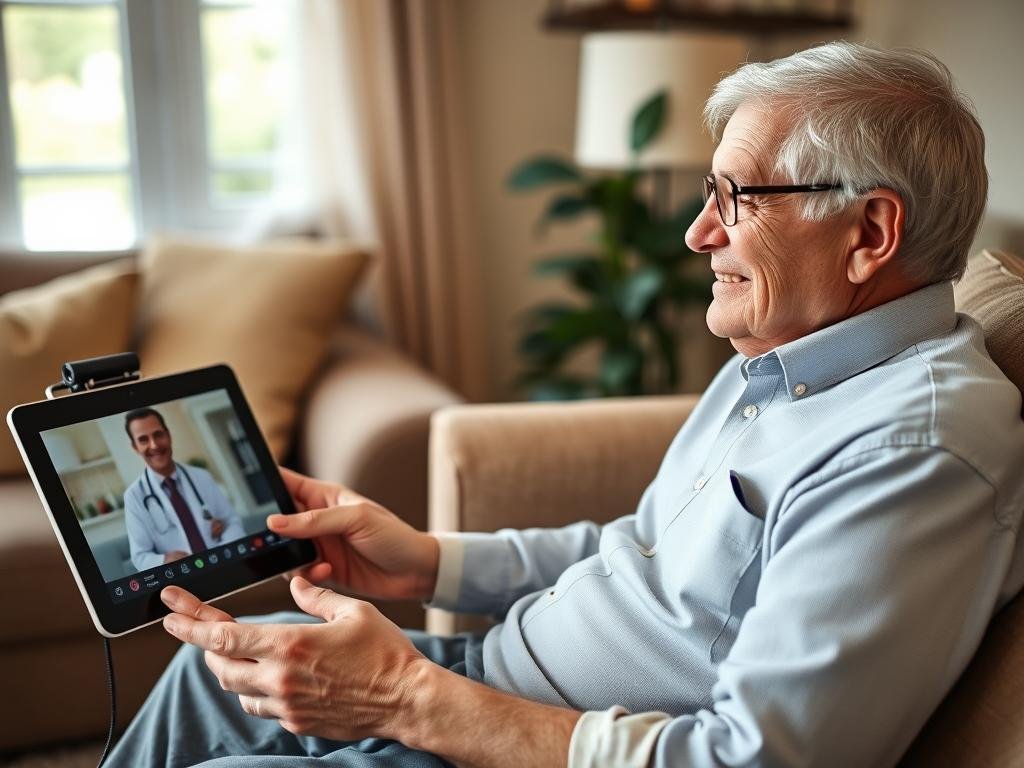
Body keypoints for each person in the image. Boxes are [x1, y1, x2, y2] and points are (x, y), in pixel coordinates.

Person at [108, 42, 1024, 767]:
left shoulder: (915, 448)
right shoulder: (786, 355)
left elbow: (758, 758)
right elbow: (648, 554)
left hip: (524, 742)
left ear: (870, 232)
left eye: (735, 198)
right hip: (486, 689)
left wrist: (402, 698)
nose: (698, 231)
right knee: (208, 668)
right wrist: (427, 564)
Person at [123, 407, 245, 571]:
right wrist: (164, 559)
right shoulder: (134, 496)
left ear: (168, 435)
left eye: (158, 435)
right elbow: (140, 556)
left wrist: (222, 550)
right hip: (182, 579)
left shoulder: (202, 477)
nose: (154, 445)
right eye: (143, 439)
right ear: (135, 447)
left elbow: (233, 523)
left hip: (225, 566)